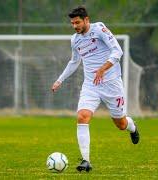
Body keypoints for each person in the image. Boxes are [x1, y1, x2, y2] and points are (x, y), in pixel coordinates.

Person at [51, 6, 140, 172]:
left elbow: (118, 51)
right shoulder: (75, 40)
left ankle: (132, 127)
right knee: (82, 116)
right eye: (72, 23)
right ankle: (86, 161)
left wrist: (102, 69)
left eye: (77, 22)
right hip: (91, 85)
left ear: (86, 20)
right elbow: (74, 62)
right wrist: (59, 80)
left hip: (112, 83)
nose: (75, 26)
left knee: (120, 123)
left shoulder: (99, 29)